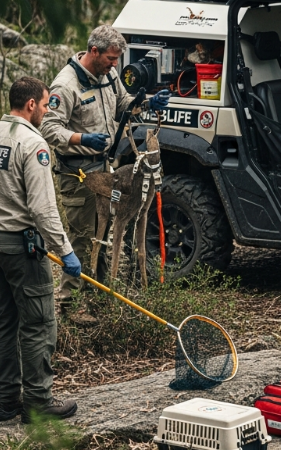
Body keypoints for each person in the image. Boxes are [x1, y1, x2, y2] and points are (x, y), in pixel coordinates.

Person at [0, 77, 82, 424]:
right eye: (45, 105)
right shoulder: (33, 144)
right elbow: (43, 209)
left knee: (4, 323)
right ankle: (38, 403)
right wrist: (65, 250)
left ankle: (6, 402)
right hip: (20, 246)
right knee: (38, 323)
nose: (46, 111)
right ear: (31, 105)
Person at [40, 24, 171, 316]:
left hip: (105, 168)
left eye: (117, 59)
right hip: (78, 174)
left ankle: (99, 298)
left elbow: (122, 105)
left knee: (103, 232)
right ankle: (71, 303)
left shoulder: (108, 76)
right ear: (94, 51)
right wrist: (81, 139)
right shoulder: (66, 85)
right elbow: (49, 128)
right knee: (83, 237)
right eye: (111, 59)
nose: (115, 65)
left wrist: (148, 103)